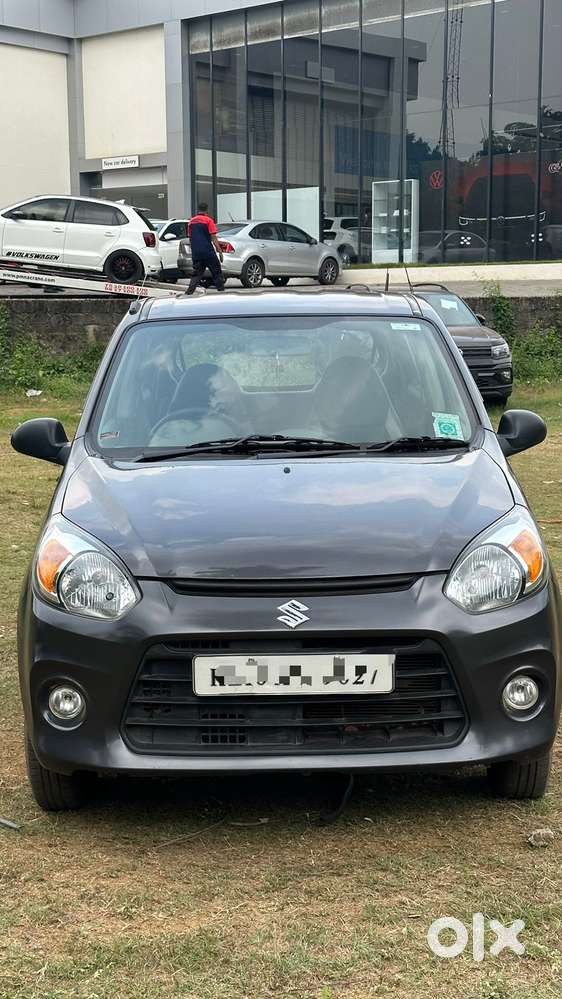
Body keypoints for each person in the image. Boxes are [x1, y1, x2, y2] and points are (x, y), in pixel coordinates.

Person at [185, 202, 225, 295]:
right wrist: (219, 251)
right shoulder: (209, 221)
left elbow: (190, 238)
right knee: (217, 273)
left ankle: (188, 293)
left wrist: (194, 251)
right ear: (207, 210)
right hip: (208, 252)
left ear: (198, 209)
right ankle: (222, 292)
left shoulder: (191, 222)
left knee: (197, 274)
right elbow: (213, 237)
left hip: (197, 253)